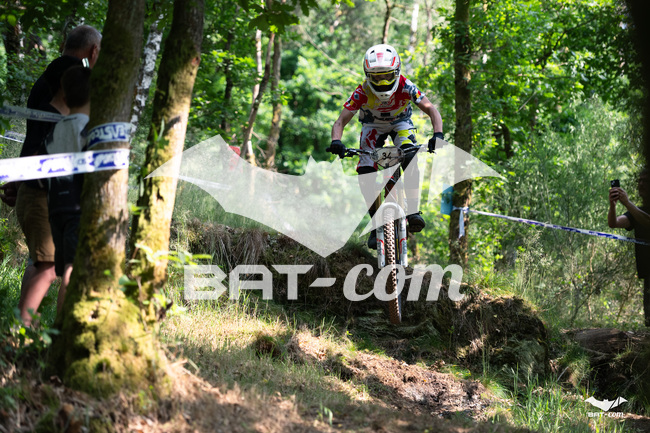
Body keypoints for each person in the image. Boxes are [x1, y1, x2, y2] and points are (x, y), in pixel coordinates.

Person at [12, 25, 101, 326]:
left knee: (43, 262)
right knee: (50, 266)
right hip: (43, 190)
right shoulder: (71, 76)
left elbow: (40, 135)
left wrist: (19, 177)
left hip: (39, 186)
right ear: (94, 51)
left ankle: (26, 329)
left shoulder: (45, 79)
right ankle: (22, 330)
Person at [328, 44, 444, 249]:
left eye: (387, 76)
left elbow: (431, 110)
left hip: (401, 124)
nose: (382, 82)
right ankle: (375, 225)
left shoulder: (406, 86)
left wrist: (438, 134)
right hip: (372, 126)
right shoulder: (362, 91)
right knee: (365, 171)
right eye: (376, 77)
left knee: (410, 155)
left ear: (396, 72)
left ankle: (413, 211)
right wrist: (336, 141)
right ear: (367, 75)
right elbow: (340, 121)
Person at [46, 65, 91, 314]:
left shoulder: (56, 127)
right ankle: (61, 326)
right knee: (72, 270)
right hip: (77, 207)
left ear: (64, 98)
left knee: (66, 269)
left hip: (55, 206)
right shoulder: (89, 129)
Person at [608, 168, 650, 326]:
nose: (641, 184)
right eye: (639, 181)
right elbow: (614, 223)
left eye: (645, 181)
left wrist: (627, 203)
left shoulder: (638, 212)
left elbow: (648, 222)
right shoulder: (637, 211)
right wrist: (613, 206)